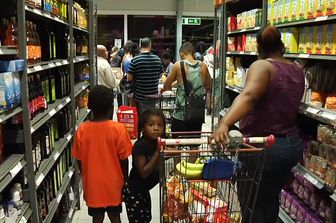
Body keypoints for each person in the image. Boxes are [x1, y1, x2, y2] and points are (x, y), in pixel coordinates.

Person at [210, 26, 304, 223]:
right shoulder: (297, 69)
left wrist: (224, 123)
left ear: (259, 47)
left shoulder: (262, 66)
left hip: (264, 146)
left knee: (251, 202)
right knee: (270, 198)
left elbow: (249, 95)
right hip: (290, 144)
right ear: (283, 46)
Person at [72, 85, 132, 223]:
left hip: (93, 185)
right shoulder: (118, 129)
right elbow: (124, 159)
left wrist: (85, 174)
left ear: (90, 106)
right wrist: (125, 180)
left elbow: (79, 159)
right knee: (115, 216)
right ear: (111, 106)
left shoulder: (82, 130)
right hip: (114, 184)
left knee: (97, 217)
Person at [123, 109, 165, 223]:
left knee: (146, 218)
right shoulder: (140, 146)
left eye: (160, 125)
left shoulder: (155, 142)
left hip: (144, 190)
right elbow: (143, 172)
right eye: (151, 125)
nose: (156, 128)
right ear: (142, 128)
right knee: (138, 220)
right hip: (134, 192)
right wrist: (158, 153)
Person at [163, 42, 212, 133]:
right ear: (193, 53)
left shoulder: (178, 65)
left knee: (177, 144)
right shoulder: (203, 66)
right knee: (193, 143)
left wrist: (175, 87)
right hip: (196, 115)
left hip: (180, 115)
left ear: (181, 54)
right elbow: (209, 85)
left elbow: (166, 85)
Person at [127, 37, 163, 115]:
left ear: (140, 47)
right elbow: (160, 76)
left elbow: (129, 78)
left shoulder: (135, 60)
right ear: (150, 46)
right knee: (151, 116)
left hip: (140, 96)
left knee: (142, 118)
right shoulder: (157, 59)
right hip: (153, 95)